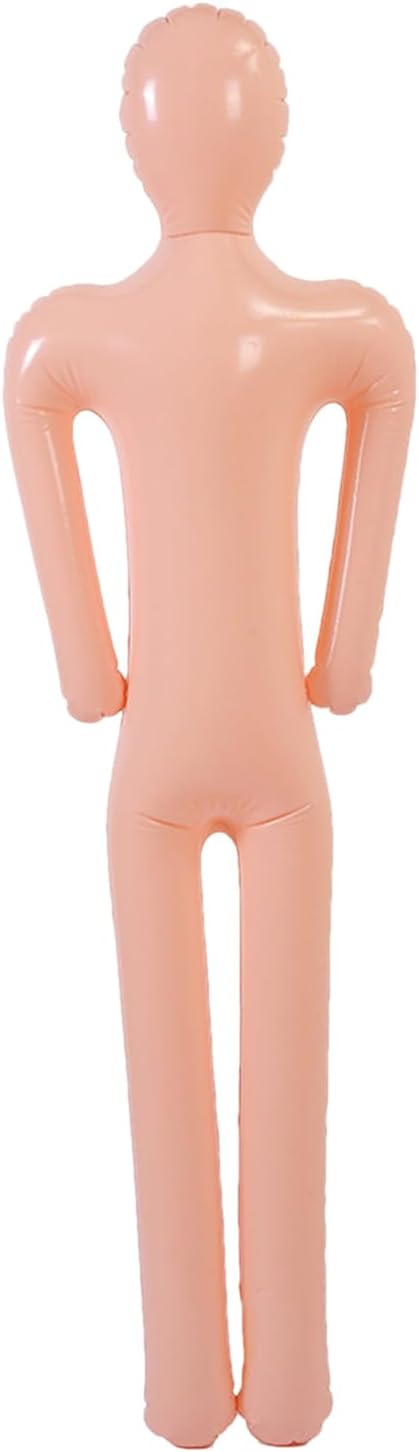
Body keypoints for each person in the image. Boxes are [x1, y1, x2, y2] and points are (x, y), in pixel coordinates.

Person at [4, 6, 415, 1446]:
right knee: (286, 1069)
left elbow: (31, 404)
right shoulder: (339, 320)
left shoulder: (77, 326)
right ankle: (291, 1391)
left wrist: (87, 668)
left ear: (133, 137)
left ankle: (186, 1390)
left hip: (151, 755)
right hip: (283, 749)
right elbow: (389, 394)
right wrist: (343, 657)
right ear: (275, 134)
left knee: (165, 1084)